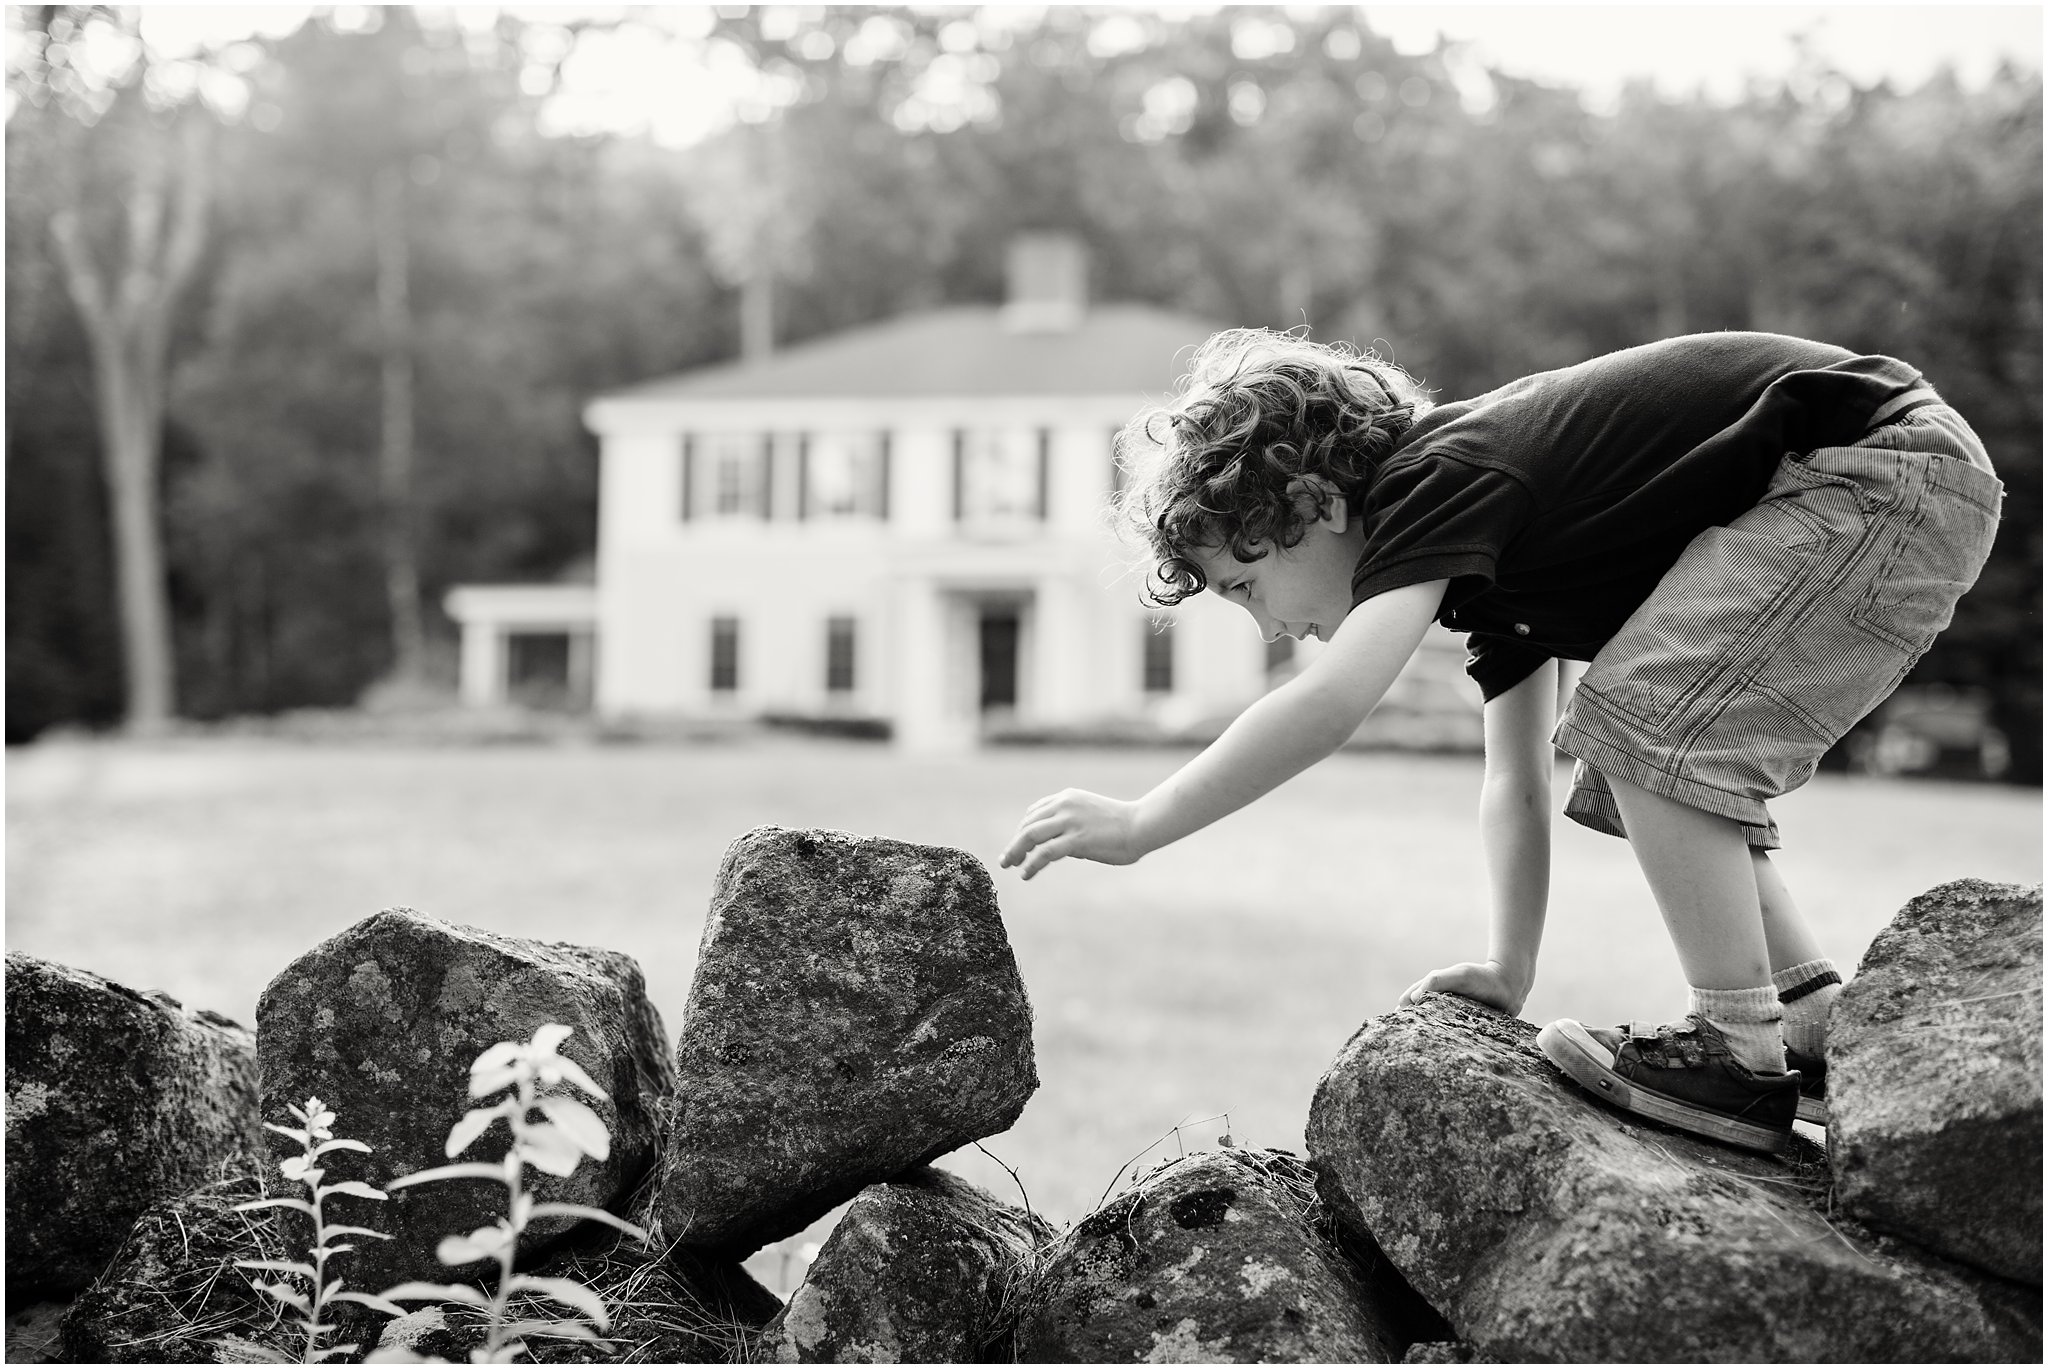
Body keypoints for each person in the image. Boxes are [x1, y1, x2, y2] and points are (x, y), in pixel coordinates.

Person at [999, 327, 2003, 1154]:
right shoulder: (1493, 573)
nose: (1267, 626)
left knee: (1646, 720)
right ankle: (1804, 1018)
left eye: (1246, 587)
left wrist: (1142, 820)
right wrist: (1505, 965)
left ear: (1311, 504)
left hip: (1873, 467)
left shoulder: (1440, 475)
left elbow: (1330, 701)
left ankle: (1737, 1054)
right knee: (1641, 741)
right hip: (1871, 479)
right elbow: (1514, 781)